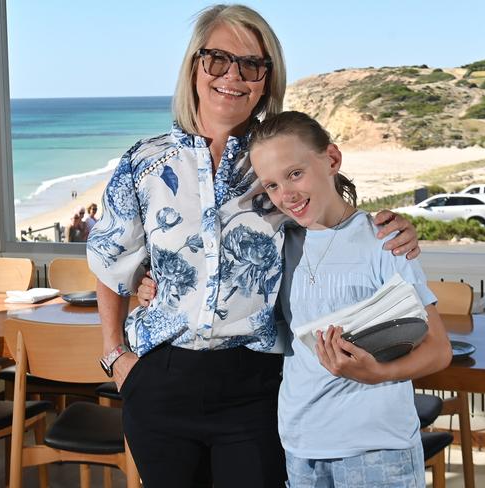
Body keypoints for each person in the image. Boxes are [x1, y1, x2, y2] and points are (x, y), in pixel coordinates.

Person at [87, 5, 419, 487]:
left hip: (257, 385)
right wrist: (117, 359)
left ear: (266, 79)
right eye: (218, 59)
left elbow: (335, 217)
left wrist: (397, 229)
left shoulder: (277, 158)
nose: (233, 77)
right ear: (194, 66)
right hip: (159, 380)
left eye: (252, 66)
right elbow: (110, 261)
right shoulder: (145, 161)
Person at [248, 111, 453, 487]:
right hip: (300, 445)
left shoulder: (384, 240)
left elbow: (439, 350)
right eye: (272, 185)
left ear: (331, 159)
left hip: (376, 449)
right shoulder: (279, 242)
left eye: (295, 174)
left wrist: (380, 374)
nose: (286, 195)